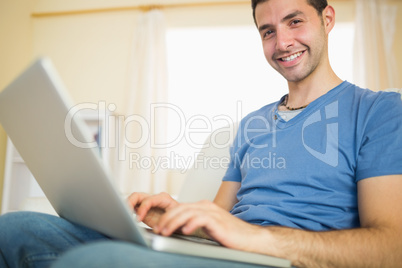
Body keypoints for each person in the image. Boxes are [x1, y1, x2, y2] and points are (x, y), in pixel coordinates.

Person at [1, 0, 402, 267]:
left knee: (93, 261)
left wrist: (258, 239)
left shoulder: (379, 111)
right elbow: (219, 218)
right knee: (14, 229)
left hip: (283, 259)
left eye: (295, 21)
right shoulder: (253, 125)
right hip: (227, 254)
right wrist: (171, 215)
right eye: (267, 31)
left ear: (327, 19)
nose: (282, 42)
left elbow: (391, 246)